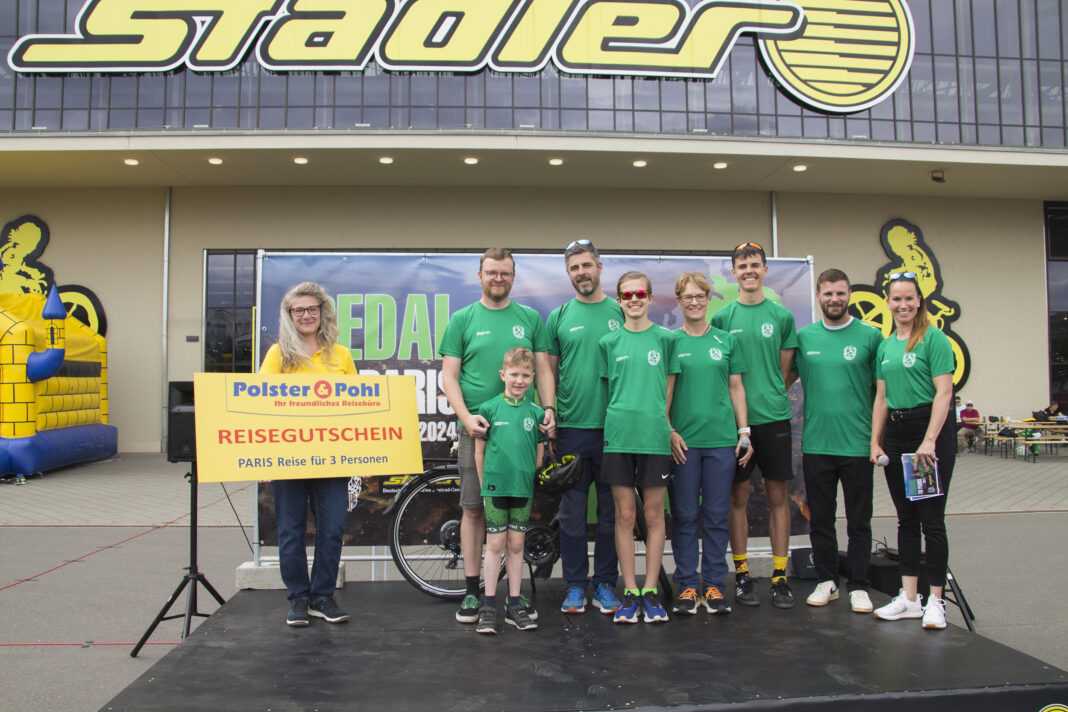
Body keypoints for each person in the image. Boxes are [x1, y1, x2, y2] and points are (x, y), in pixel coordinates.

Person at [439, 248, 555, 624]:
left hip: (521, 432)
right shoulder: (462, 319)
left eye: (505, 273)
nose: (498, 278)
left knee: (516, 527)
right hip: (479, 431)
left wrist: (549, 410)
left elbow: (543, 370)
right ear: (479, 275)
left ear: (513, 276)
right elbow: (449, 376)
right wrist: (466, 417)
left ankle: (512, 599)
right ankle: (474, 594)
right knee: (473, 511)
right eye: (492, 272)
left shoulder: (529, 318)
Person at [259, 282, 355, 627]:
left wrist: (366, 456)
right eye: (298, 310)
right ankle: (298, 598)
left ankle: (323, 597)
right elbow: (260, 407)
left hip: (333, 459)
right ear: (289, 315)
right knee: (291, 531)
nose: (305, 315)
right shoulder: (276, 356)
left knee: (332, 529)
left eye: (311, 309)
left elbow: (358, 408)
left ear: (323, 312)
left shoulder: (341, 355)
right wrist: (264, 458)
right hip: (288, 458)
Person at [710, 242, 798, 609]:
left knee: (778, 498)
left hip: (774, 418)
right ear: (733, 272)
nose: (749, 270)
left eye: (755, 265)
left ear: (765, 270)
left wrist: (767, 395)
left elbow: (784, 372)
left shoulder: (781, 317)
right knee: (738, 498)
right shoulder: (721, 318)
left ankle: (779, 575)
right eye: (742, 265)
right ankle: (743, 574)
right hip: (735, 425)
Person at [791, 269, 883, 613]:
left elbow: (882, 395)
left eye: (841, 293)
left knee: (859, 521)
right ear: (818, 295)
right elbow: (783, 379)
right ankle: (827, 580)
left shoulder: (870, 337)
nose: (835, 299)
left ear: (849, 295)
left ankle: (859, 585)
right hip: (816, 446)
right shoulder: (805, 338)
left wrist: (878, 440)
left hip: (858, 446)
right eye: (828, 294)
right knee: (822, 519)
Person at [870, 271, 956, 630]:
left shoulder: (933, 339)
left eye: (909, 298)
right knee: (906, 519)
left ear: (919, 300)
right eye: (896, 299)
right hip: (897, 432)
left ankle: (935, 600)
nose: (903, 305)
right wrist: (875, 441)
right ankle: (909, 599)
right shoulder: (886, 345)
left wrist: (930, 440)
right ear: (888, 303)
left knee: (930, 520)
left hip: (927, 431)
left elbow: (944, 392)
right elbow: (881, 398)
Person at [668, 272, 752, 615]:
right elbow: (666, 393)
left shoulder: (726, 341)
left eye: (699, 296)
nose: (694, 302)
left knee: (717, 516)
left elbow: (736, 388)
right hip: (683, 444)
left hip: (721, 442)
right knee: (686, 516)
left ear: (708, 298)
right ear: (678, 301)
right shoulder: (670, 341)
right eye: (687, 297)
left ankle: (716, 585)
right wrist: (669, 430)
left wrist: (744, 431)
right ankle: (688, 585)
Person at [545, 239, 622, 614]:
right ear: (569, 273)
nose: (581, 273)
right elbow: (547, 368)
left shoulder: (622, 311)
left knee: (612, 512)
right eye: (574, 268)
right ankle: (575, 586)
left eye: (586, 265)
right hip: (572, 429)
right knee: (573, 514)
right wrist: (550, 411)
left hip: (616, 430)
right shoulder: (559, 316)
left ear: (599, 267)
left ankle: (606, 583)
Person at [598, 271, 679, 624]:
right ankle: (629, 591)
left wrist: (665, 427)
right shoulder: (608, 343)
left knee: (653, 515)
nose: (634, 299)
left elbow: (669, 392)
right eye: (627, 294)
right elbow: (608, 392)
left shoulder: (665, 339)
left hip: (653, 438)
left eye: (640, 293)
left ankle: (650, 591)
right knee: (625, 516)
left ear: (650, 297)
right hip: (618, 437)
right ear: (619, 300)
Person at [474, 347, 546, 634]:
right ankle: (489, 605)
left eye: (526, 375)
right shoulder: (489, 408)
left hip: (522, 488)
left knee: (517, 545)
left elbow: (539, 454)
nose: (520, 380)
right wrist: (484, 486)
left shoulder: (537, 413)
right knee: (494, 545)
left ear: (532, 378)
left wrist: (527, 472)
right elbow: (479, 452)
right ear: (503, 375)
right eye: (514, 374)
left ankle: (514, 604)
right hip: (494, 487)